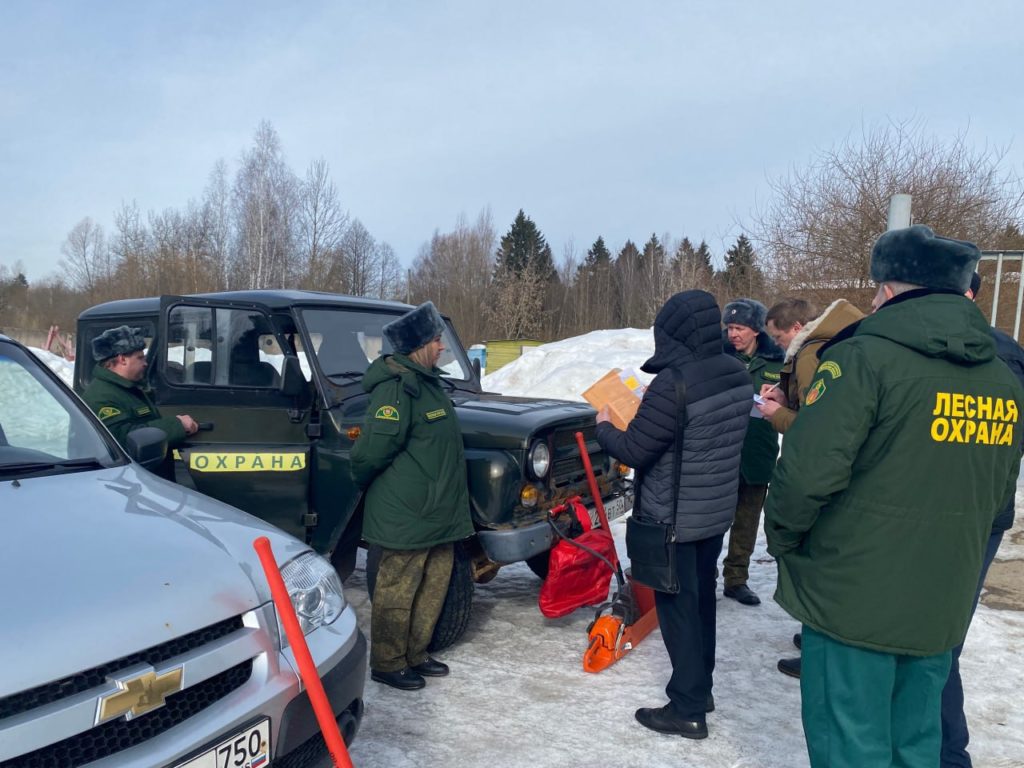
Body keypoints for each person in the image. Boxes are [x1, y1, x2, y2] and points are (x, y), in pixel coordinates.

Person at [764, 225, 1024, 768]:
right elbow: (1001, 497)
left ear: (888, 288)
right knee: (916, 742)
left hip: (855, 592)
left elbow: (807, 475)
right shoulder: (1001, 378)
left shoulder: (860, 359)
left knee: (851, 743)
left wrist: (786, 538)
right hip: (941, 596)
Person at [595, 290, 752, 740]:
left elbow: (635, 449)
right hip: (713, 511)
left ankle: (686, 708)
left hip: (674, 518)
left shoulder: (674, 383)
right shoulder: (734, 372)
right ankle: (700, 690)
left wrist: (605, 422)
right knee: (701, 602)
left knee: (678, 608)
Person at [351, 301, 473, 691]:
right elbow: (371, 452)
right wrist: (367, 482)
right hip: (406, 510)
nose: (442, 348)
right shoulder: (396, 388)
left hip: (437, 509)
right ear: (419, 345)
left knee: (432, 584)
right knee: (398, 588)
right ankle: (387, 662)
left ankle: (415, 653)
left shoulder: (428, 383)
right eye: (437, 341)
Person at [939, 271, 1024, 767]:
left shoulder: (994, 352)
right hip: (972, 511)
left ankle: (950, 754)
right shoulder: (1001, 349)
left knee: (938, 642)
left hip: (963, 514)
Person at [757, 297, 864, 678]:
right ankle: (817, 639)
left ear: (798, 328)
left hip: (823, 479)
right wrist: (788, 399)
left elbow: (816, 429)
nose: (780, 346)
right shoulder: (844, 345)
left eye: (781, 337)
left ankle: (818, 650)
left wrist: (776, 414)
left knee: (816, 564)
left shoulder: (809, 355)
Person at [721, 298, 784, 606]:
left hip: (758, 452)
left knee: (746, 521)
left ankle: (736, 579)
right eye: (730, 327)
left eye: (740, 328)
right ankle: (703, 576)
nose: (733, 334)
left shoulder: (778, 360)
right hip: (722, 452)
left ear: (756, 330)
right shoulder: (717, 358)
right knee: (714, 520)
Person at [82, 325, 198, 479]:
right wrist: (177, 425)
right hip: (128, 483)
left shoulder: (126, 388)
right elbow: (122, 440)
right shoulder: (102, 396)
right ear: (122, 359)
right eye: (140, 357)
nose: (145, 363)